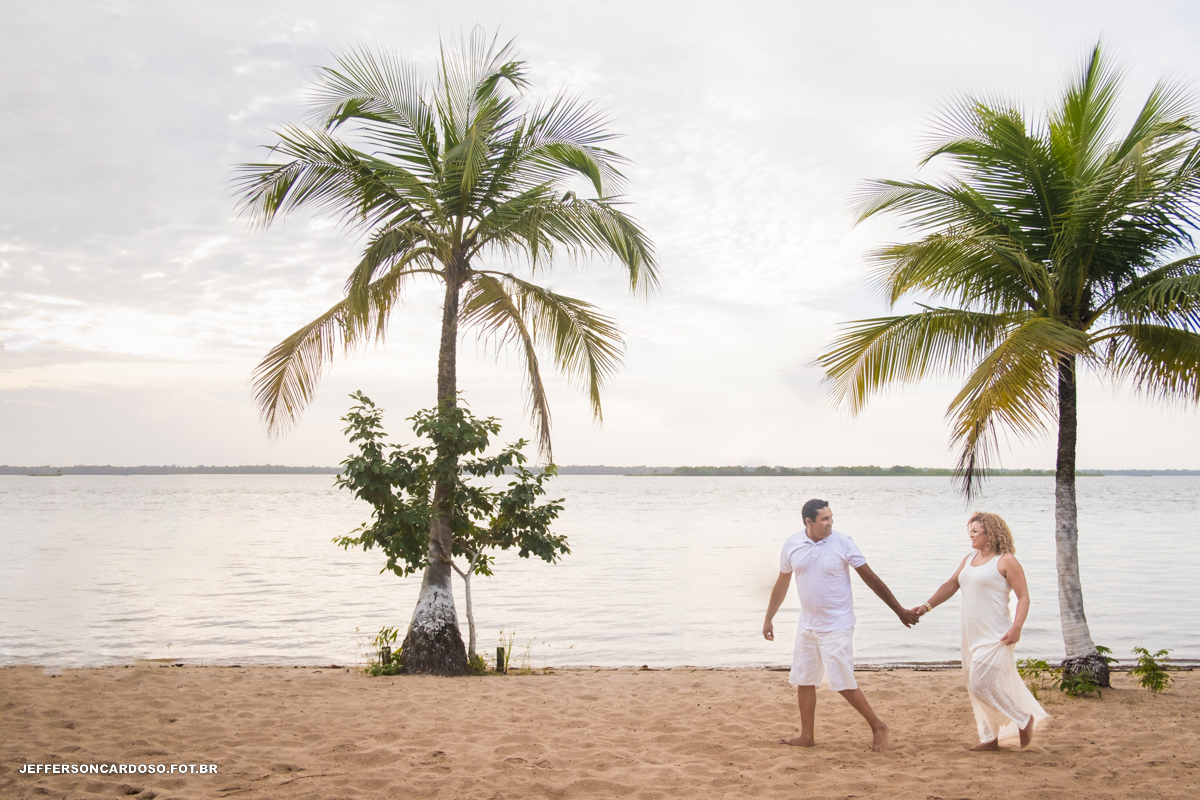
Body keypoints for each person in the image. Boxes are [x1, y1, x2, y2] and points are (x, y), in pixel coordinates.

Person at [763, 499, 920, 752]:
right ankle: (807, 736)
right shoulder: (792, 544)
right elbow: (782, 583)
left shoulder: (842, 542)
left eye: (831, 517)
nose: (830, 523)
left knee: (842, 681)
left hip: (837, 624)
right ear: (808, 522)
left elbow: (871, 579)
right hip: (808, 624)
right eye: (824, 519)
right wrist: (769, 617)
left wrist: (898, 610)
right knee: (804, 679)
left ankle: (878, 725)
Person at [912, 511, 1049, 750]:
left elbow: (1024, 597)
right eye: (969, 532)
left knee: (980, 684)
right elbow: (951, 584)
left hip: (997, 634)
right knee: (975, 685)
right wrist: (927, 605)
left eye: (975, 531)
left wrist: (1017, 627)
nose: (971, 536)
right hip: (971, 633)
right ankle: (989, 738)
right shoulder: (969, 559)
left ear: (990, 534)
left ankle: (1023, 719)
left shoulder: (1006, 561)